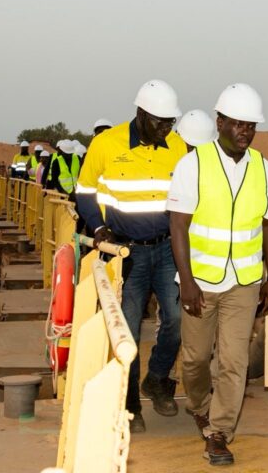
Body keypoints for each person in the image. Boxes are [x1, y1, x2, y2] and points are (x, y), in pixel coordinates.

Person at [167, 83, 268, 466]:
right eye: (238, 124)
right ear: (220, 123)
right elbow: (178, 225)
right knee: (196, 360)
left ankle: (219, 433)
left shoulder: (263, 168)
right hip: (200, 282)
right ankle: (199, 406)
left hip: (244, 283)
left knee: (234, 361)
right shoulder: (194, 164)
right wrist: (186, 281)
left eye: (251, 125)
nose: (245, 132)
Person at [75, 80, 188, 434]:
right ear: (140, 113)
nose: (166, 128)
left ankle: (156, 379)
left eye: (170, 122)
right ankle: (130, 404)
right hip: (127, 253)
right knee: (129, 327)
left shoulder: (177, 146)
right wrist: (98, 227)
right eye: (160, 121)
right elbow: (84, 190)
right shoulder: (106, 144)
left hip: (167, 249)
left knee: (177, 319)